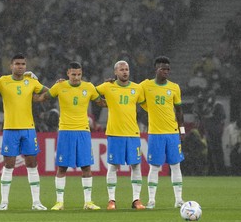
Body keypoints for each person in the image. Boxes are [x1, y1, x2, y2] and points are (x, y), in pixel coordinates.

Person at [0, 53, 50, 211]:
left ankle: (36, 202)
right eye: (17, 64)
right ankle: (4, 202)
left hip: (28, 128)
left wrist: (60, 85)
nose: (20, 66)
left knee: (32, 164)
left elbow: (48, 93)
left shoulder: (31, 82)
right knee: (8, 165)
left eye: (23, 64)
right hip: (10, 129)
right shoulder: (3, 81)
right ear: (11, 66)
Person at [48, 61, 105, 211]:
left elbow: (101, 102)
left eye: (79, 74)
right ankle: (59, 202)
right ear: (68, 73)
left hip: (83, 131)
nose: (76, 77)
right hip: (65, 131)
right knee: (62, 167)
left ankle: (88, 202)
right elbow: (43, 96)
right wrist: (32, 80)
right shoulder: (60, 86)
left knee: (86, 167)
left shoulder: (89, 87)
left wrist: (115, 88)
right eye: (73, 74)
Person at [95, 61, 146, 210]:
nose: (125, 72)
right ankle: (112, 200)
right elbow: (91, 93)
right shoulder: (107, 86)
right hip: (115, 133)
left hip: (132, 133)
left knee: (136, 166)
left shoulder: (137, 88)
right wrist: (102, 102)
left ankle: (136, 200)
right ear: (115, 72)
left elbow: (144, 104)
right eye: (121, 69)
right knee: (113, 166)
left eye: (127, 69)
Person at [140, 56, 186, 209]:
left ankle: (179, 200)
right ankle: (151, 200)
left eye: (168, 69)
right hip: (155, 133)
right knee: (154, 167)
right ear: (156, 69)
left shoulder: (174, 87)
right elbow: (133, 93)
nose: (166, 71)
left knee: (175, 165)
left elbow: (179, 110)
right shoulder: (146, 85)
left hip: (172, 133)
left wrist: (182, 129)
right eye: (163, 69)